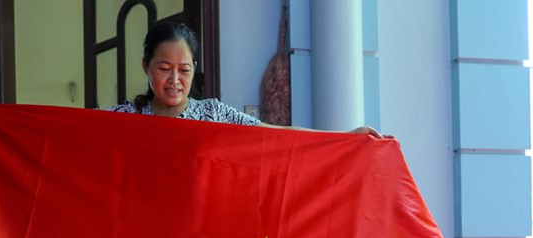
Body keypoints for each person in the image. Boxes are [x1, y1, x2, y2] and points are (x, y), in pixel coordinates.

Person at [106, 21, 385, 137]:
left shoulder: (213, 113)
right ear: (146, 66)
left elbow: (276, 134)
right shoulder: (123, 119)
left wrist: (346, 138)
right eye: (164, 68)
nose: (174, 79)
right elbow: (73, 134)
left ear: (194, 69)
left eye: (184, 69)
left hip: (200, 236)